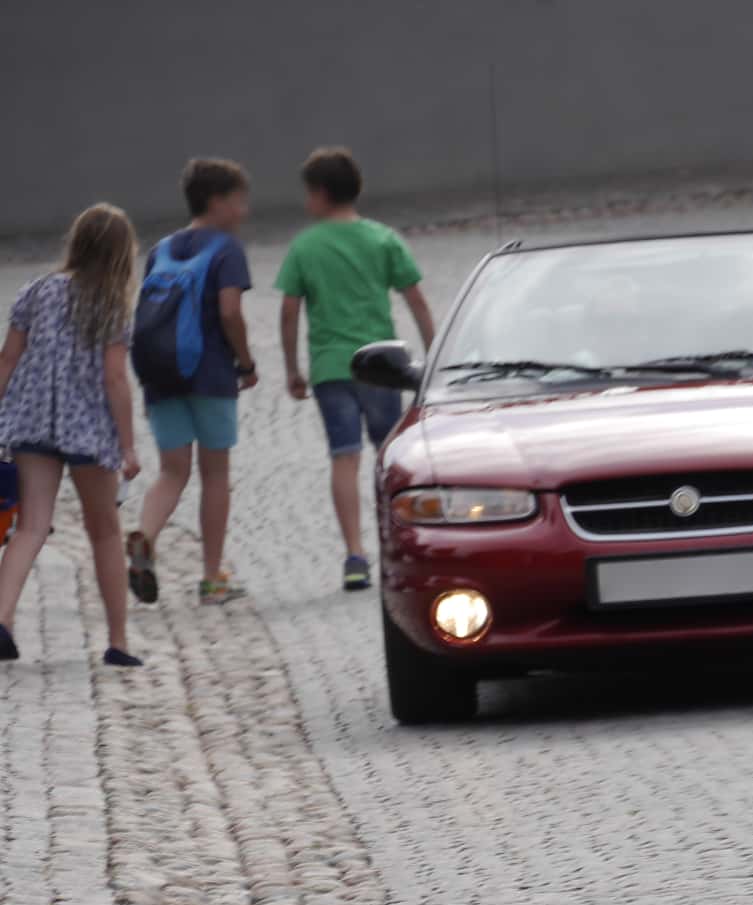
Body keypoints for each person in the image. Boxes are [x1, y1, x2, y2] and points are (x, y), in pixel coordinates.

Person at [276, 146, 434, 592]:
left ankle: (354, 555)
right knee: (390, 456)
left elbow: (289, 310)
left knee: (343, 456)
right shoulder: (382, 239)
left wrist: (292, 368)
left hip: (330, 369)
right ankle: (395, 545)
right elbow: (415, 298)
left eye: (308, 193)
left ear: (321, 194)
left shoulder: (305, 246)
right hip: (382, 367)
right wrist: (435, 354)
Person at [0, 205, 145, 666]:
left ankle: (1, 620)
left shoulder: (36, 291)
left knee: (31, 527)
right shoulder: (111, 303)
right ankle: (118, 642)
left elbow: (7, 359)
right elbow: (115, 379)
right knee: (103, 531)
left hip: (33, 421)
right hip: (88, 430)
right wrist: (127, 444)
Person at [127, 157, 257, 609]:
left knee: (171, 471)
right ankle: (211, 580)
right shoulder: (226, 249)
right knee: (215, 474)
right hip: (210, 373)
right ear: (217, 202)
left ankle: (145, 534)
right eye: (239, 202)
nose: (243, 211)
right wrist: (246, 362)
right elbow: (229, 313)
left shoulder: (160, 250)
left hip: (160, 376)